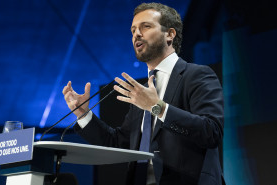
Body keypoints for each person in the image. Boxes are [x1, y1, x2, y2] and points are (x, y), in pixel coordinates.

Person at [62, 2, 224, 185]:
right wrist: (83, 114)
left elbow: (211, 131)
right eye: (133, 30)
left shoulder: (196, 75)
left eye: (145, 26)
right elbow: (119, 143)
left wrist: (157, 107)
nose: (136, 34)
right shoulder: (143, 93)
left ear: (170, 34)